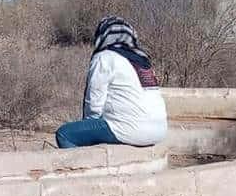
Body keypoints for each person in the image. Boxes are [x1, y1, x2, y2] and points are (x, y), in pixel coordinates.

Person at [55, 16, 167, 148]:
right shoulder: (142, 59)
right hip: (159, 130)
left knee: (65, 134)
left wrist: (89, 130)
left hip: (130, 129)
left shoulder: (104, 57)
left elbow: (94, 103)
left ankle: (89, 166)